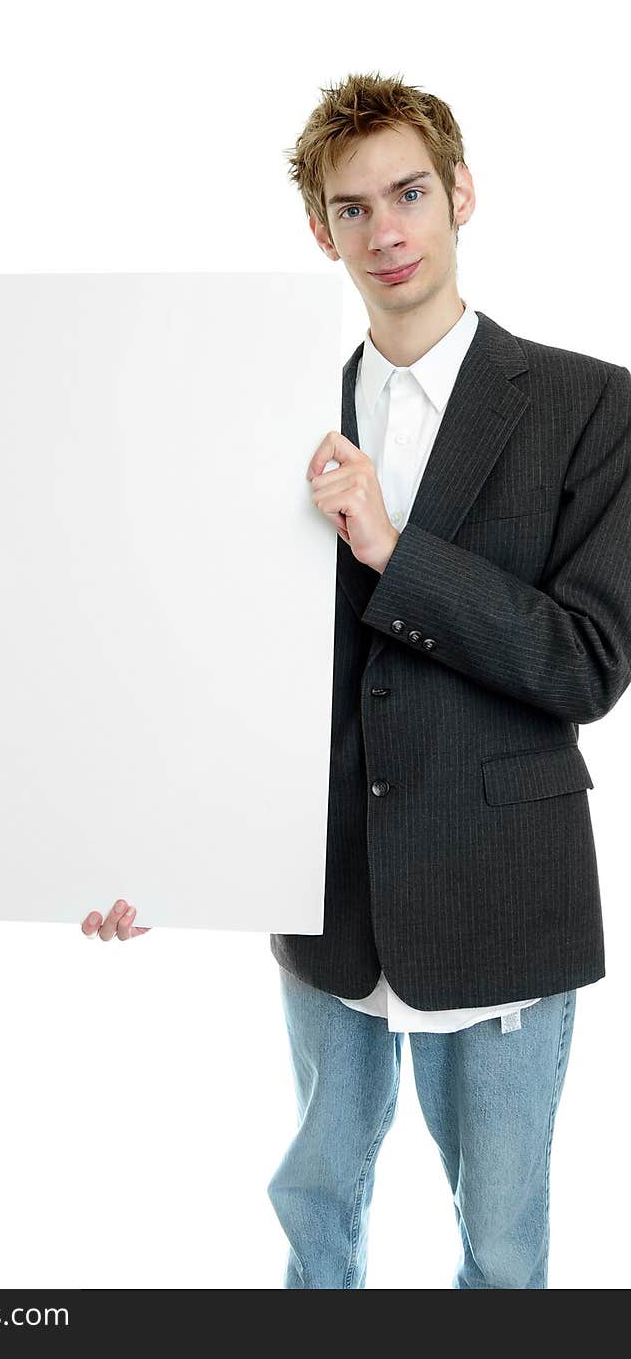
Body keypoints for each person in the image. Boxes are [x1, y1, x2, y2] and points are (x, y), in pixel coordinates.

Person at [81, 71, 631, 1289]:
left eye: (409, 193)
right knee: (316, 1217)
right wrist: (145, 852)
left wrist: (394, 551)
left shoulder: (592, 406)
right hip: (325, 901)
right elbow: (213, 670)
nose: (383, 229)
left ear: (461, 196)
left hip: (503, 902)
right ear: (317, 230)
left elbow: (584, 661)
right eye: (349, 207)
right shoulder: (270, 413)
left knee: (502, 1243)